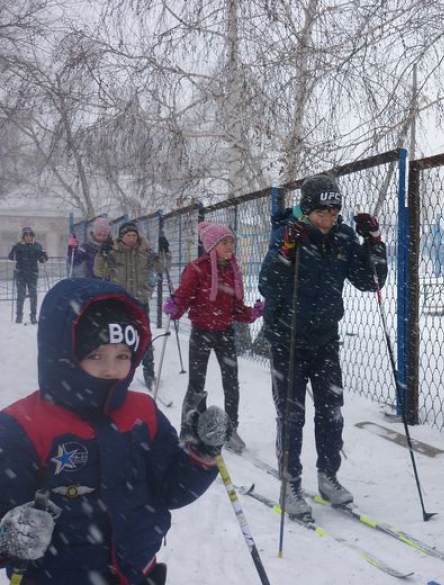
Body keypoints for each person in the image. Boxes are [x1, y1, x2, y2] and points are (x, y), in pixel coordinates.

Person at [0, 278, 227, 585]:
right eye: (96, 356)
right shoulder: (22, 425)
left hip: (137, 573)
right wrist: (9, 538)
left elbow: (170, 490)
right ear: (62, 355)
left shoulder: (142, 411)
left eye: (122, 356)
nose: (111, 370)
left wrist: (200, 454)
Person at [258, 174, 388, 521]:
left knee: (331, 411)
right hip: (287, 340)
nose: (329, 217)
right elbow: (267, 285)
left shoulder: (344, 237)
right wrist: (286, 251)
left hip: (325, 339)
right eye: (322, 211)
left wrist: (373, 242)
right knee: (292, 415)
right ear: (307, 208)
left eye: (335, 210)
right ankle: (291, 483)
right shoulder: (288, 232)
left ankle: (328, 476)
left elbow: (369, 281)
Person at [163, 221, 265, 454]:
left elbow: (237, 308)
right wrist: (174, 307)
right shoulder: (196, 268)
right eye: (224, 242)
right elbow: (184, 297)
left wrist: (253, 313)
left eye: (231, 241)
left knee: (231, 382)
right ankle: (189, 430)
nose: (230, 246)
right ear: (212, 245)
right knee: (196, 384)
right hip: (201, 333)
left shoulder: (232, 270)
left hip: (225, 332)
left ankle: (230, 429)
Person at [94, 221, 163, 389]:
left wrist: (163, 253)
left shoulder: (145, 252)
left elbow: (162, 268)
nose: (132, 238)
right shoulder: (114, 252)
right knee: (117, 339)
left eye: (134, 235)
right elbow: (99, 271)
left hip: (140, 301)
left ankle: (149, 372)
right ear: (121, 237)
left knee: (145, 337)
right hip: (120, 302)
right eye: (128, 235)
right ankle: (115, 371)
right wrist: (102, 254)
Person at [8, 226, 48, 324]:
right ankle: (19, 316)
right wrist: (13, 249)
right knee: (20, 295)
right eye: (26, 235)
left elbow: (42, 260)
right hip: (20, 274)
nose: (28, 237)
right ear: (23, 236)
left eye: (30, 235)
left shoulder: (37, 246)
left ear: (33, 236)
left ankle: (33, 316)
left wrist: (44, 255)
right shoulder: (18, 246)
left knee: (33, 295)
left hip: (32, 274)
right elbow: (11, 257)